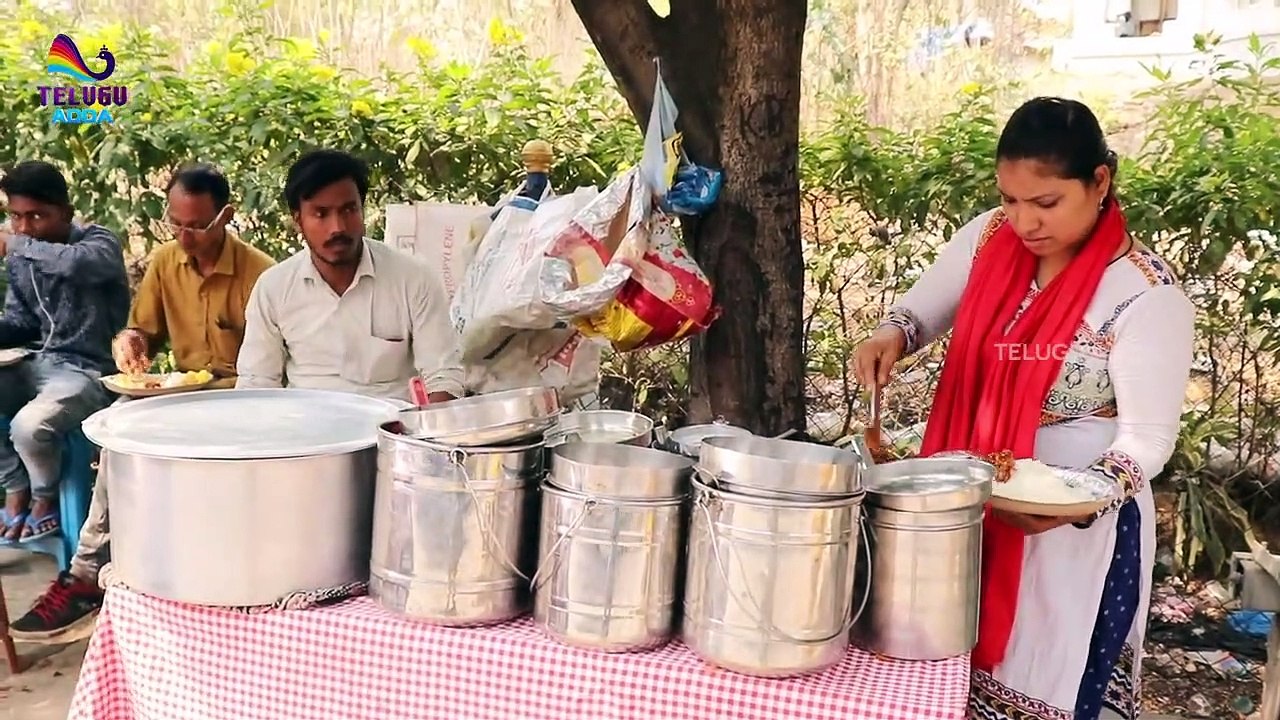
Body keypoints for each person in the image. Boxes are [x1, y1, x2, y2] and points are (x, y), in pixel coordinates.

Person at [852, 97, 1194, 720]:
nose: (1024, 221)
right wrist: (891, 334)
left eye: (1046, 203)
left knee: (1046, 679)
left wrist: (1083, 496)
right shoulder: (989, 237)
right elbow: (923, 310)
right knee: (936, 665)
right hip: (968, 504)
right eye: (1010, 199)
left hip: (1075, 527)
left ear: (1100, 183)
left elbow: (1148, 438)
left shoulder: (1144, 294)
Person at [8, 164, 276, 640]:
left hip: (244, 400)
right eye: (176, 223)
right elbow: (141, 330)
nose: (184, 236)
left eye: (196, 225)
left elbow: (272, 371)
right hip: (180, 397)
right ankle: (89, 574)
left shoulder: (262, 273)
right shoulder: (165, 262)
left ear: (227, 216)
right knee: (116, 433)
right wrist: (130, 344)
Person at [236, 149, 464, 402]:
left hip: (393, 430)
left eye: (348, 210)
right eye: (321, 214)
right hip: (307, 431)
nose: (338, 228)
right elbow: (257, 383)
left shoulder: (413, 277)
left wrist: (423, 434)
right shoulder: (274, 288)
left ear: (362, 209)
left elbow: (442, 375)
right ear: (298, 220)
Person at [0, 161, 128, 544]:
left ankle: (45, 499)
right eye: (16, 217)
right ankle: (16, 484)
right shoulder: (24, 257)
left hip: (87, 372)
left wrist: (16, 245)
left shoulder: (97, 242)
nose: (24, 227)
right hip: (37, 362)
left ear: (66, 213)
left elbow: (79, 265)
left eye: (37, 216)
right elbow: (22, 321)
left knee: (28, 428)